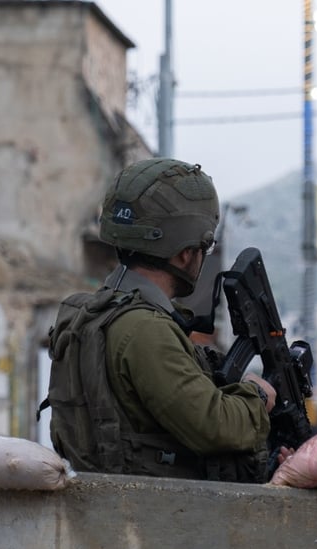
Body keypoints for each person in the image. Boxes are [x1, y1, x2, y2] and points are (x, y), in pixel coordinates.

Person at [45, 157, 280, 482]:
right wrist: (258, 395)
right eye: (203, 247)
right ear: (185, 252)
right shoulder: (144, 329)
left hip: (110, 503)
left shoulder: (91, 312)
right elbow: (215, 426)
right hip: (155, 518)